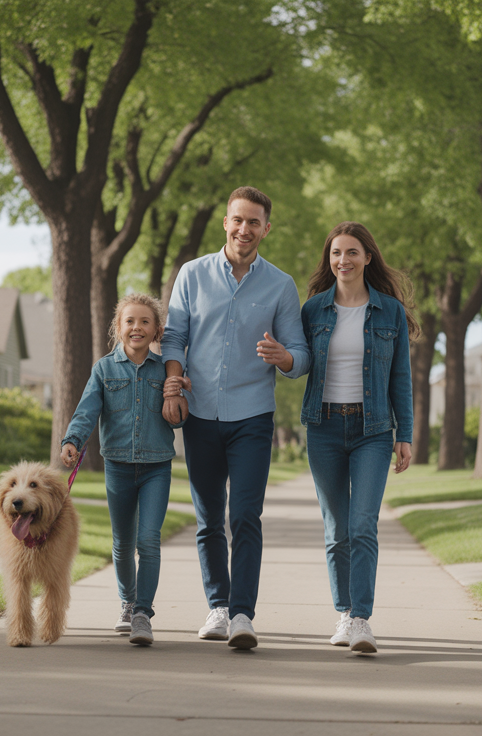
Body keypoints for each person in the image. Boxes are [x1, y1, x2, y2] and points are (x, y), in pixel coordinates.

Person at [160, 186, 310, 650]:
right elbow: (172, 337)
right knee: (208, 519)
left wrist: (284, 357)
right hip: (200, 413)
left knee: (244, 514)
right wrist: (173, 382)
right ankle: (218, 607)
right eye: (237, 220)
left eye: (254, 222)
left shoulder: (281, 285)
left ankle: (243, 614)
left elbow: (301, 355)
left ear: (267, 228)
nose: (244, 229)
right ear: (226, 222)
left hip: (252, 416)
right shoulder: (192, 274)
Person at [298, 221, 415, 654]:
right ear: (328, 261)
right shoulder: (313, 311)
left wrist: (406, 432)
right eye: (335, 253)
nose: (342, 260)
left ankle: (361, 619)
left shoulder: (390, 312)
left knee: (363, 523)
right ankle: (343, 613)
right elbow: (299, 363)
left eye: (351, 252)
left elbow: (400, 377)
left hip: (373, 430)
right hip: (323, 427)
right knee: (337, 529)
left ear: (368, 257)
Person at [61, 293, 181, 647]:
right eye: (130, 321)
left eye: (145, 322)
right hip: (117, 465)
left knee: (149, 539)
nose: (137, 328)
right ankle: (127, 603)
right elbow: (87, 409)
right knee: (122, 543)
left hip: (156, 466)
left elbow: (180, 416)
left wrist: (179, 400)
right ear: (118, 327)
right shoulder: (104, 369)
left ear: (157, 330)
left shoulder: (166, 371)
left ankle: (143, 612)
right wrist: (73, 440)